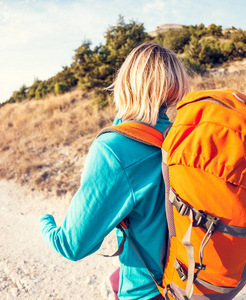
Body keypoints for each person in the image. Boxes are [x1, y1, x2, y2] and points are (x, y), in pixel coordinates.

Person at [39, 43, 190, 300]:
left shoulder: (114, 150)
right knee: (114, 279)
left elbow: (72, 245)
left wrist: (44, 222)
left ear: (126, 83)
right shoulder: (183, 137)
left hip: (148, 291)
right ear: (176, 88)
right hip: (191, 279)